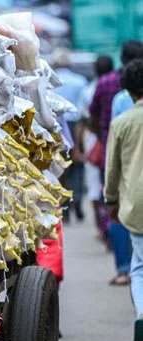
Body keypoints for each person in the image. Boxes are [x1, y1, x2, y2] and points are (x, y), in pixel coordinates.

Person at [89, 41, 143, 286]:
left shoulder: (117, 96)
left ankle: (123, 269)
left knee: (122, 216)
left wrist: (110, 197)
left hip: (126, 165)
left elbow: (110, 136)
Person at [103, 58, 143, 341]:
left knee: (140, 267)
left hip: (136, 207)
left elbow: (112, 170)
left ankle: (142, 319)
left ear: (129, 91)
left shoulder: (122, 123)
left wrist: (111, 200)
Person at [77, 55, 114, 241]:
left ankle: (102, 225)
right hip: (109, 139)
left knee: (95, 185)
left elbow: (86, 119)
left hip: (95, 140)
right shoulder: (121, 85)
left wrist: (80, 145)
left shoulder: (90, 90)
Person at [52, 49, 88, 222]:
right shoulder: (80, 81)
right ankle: (78, 202)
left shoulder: (51, 79)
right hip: (76, 125)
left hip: (56, 126)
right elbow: (83, 110)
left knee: (61, 169)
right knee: (78, 166)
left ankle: (65, 208)